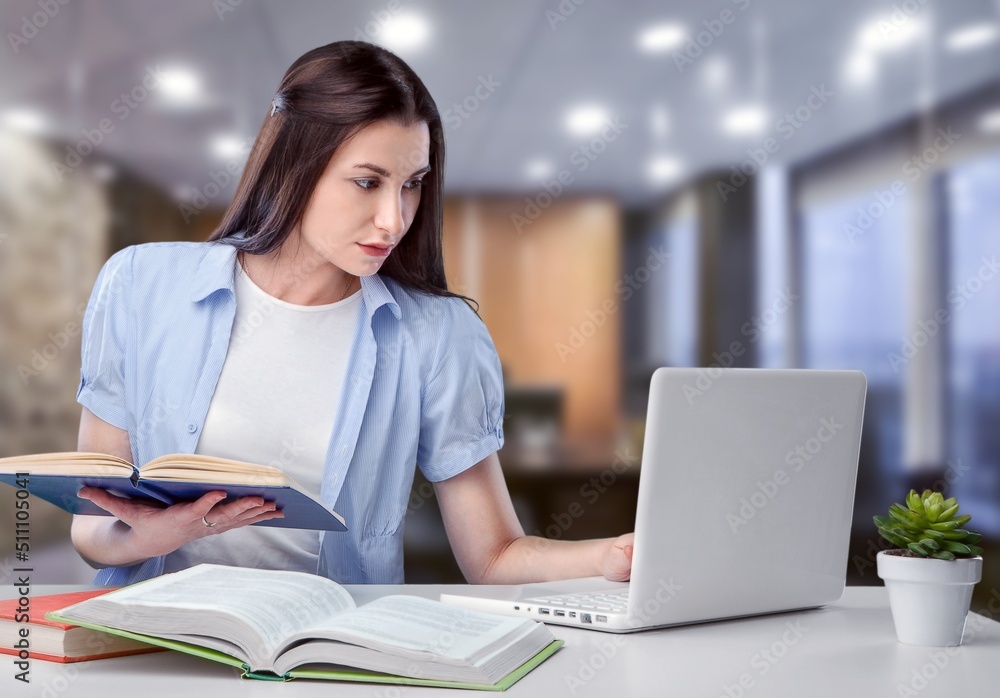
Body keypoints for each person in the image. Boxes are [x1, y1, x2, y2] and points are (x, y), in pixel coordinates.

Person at [70, 40, 634, 586]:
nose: (395, 219)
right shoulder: (140, 285)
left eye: (412, 185)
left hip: (323, 656)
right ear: (293, 167)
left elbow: (494, 556)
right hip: (154, 645)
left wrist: (611, 555)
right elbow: (92, 526)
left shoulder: (437, 335)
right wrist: (155, 537)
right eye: (368, 182)